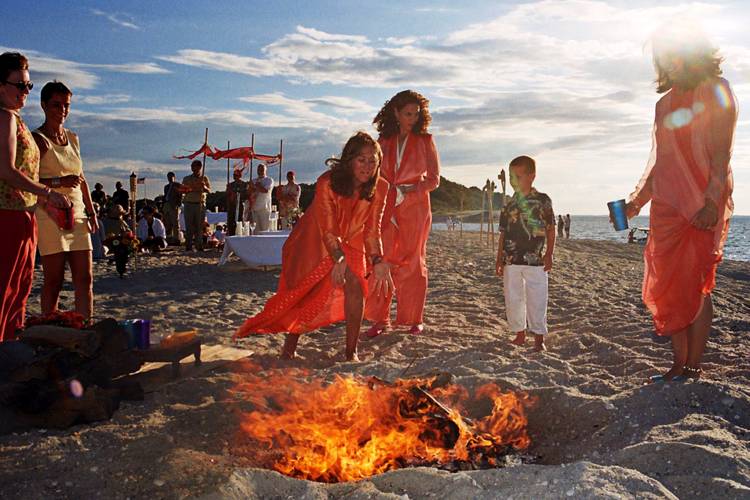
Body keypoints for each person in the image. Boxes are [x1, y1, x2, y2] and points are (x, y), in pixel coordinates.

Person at [620, 24, 736, 381]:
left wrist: (712, 202)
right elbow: (661, 162)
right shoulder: (664, 104)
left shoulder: (716, 90)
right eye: (662, 55)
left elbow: (721, 154)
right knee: (669, 286)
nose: (668, 60)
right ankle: (678, 362)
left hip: (702, 204)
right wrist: (635, 202)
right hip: (667, 208)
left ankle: (694, 365)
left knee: (696, 284)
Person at [234, 132, 393, 362]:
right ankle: (289, 346)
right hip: (315, 237)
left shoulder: (381, 187)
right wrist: (338, 258)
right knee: (306, 291)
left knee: (356, 287)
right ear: (349, 160)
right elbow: (328, 229)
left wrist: (378, 259)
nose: (367, 166)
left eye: (372, 160)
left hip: (353, 241)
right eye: (361, 159)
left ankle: (351, 352)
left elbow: (372, 230)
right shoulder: (327, 182)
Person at [0, 52, 70, 341]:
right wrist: (48, 193)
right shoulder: (4, 118)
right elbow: (6, 170)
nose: (25, 92)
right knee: (6, 288)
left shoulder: (15, 119)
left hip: (23, 214)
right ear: (1, 86)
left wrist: (40, 201)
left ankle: (10, 347)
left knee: (20, 288)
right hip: (7, 215)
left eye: (28, 86)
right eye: (20, 85)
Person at [364, 89, 440, 337]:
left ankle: (412, 319)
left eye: (416, 114)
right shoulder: (382, 142)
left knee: (414, 262)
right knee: (381, 260)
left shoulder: (426, 140)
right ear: (396, 113)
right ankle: (379, 318)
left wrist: (411, 190)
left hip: (416, 206)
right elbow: (373, 174)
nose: (413, 119)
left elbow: (434, 180)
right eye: (408, 114)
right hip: (385, 205)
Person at [32, 81, 98, 321]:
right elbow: (30, 180)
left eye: (66, 105)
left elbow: (81, 179)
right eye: (56, 105)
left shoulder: (73, 138)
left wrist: (91, 212)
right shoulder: (37, 139)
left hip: (77, 211)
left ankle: (85, 327)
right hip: (50, 212)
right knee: (54, 279)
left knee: (85, 278)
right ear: (43, 105)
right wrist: (58, 183)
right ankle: (49, 329)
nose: (62, 110)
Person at [495, 156, 556, 352]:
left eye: (518, 177)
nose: (514, 181)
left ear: (532, 176)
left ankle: (539, 337)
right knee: (514, 297)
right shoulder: (508, 204)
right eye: (512, 177)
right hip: (511, 259)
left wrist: (550, 253)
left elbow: (551, 229)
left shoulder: (543, 200)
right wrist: (499, 258)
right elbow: (503, 233)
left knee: (537, 297)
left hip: (536, 259)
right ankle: (519, 333)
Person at [181, 159, 211, 251]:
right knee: (189, 226)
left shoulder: (204, 178)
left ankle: (199, 245)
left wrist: (204, 187)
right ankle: (188, 246)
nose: (193, 169)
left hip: (200, 204)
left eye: (195, 167)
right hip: (189, 204)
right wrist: (190, 189)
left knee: (199, 226)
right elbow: (182, 190)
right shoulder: (186, 179)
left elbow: (209, 190)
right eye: (192, 167)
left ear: (200, 167)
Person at [250, 163, 274, 231]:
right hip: (254, 209)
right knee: (255, 231)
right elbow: (249, 192)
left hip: (264, 209)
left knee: (264, 230)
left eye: (262, 169)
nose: (260, 171)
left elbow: (265, 190)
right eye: (259, 169)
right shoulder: (253, 181)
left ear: (265, 170)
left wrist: (257, 186)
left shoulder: (269, 180)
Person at [226, 167, 248, 236]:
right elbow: (227, 196)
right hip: (232, 206)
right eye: (234, 175)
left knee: (240, 221)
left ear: (240, 176)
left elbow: (246, 195)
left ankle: (240, 235)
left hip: (241, 205)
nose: (235, 177)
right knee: (231, 222)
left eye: (237, 175)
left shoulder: (244, 185)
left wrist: (239, 195)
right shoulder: (230, 185)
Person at [162, 171, 182, 244]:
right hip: (166, 205)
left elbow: (180, 195)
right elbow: (165, 195)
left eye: (171, 177)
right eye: (168, 177)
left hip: (174, 205)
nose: (169, 178)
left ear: (174, 177)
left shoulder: (177, 185)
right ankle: (169, 238)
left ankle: (176, 239)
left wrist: (178, 204)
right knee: (167, 223)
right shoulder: (166, 187)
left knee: (175, 223)